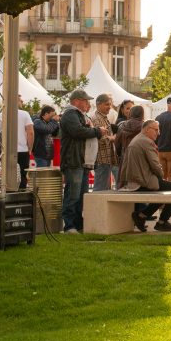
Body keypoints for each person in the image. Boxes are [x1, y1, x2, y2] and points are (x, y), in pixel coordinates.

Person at [118, 119, 171, 232]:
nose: (158, 133)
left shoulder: (138, 139)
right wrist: (161, 176)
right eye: (156, 130)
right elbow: (156, 166)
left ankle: (142, 216)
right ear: (147, 130)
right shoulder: (146, 142)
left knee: (165, 191)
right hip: (142, 181)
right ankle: (162, 222)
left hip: (135, 180)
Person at [59, 90, 106, 234]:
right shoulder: (70, 114)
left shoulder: (79, 115)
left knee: (81, 196)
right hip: (74, 161)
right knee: (73, 195)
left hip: (83, 161)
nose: (88, 104)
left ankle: (78, 224)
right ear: (77, 101)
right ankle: (69, 226)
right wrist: (97, 132)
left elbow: (82, 131)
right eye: (86, 101)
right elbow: (77, 132)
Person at [90, 93, 118, 192]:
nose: (109, 107)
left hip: (106, 158)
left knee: (103, 189)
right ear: (98, 104)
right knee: (99, 189)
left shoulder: (102, 117)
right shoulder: (97, 118)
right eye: (107, 104)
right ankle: (96, 208)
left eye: (110, 104)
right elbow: (101, 139)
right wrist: (113, 138)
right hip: (102, 159)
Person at [15, 96, 34, 190]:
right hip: (22, 150)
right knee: (23, 175)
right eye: (20, 100)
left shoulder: (1, 114)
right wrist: (30, 148)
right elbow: (30, 132)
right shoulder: (24, 114)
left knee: (8, 175)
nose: (22, 102)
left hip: (6, 150)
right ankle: (20, 197)